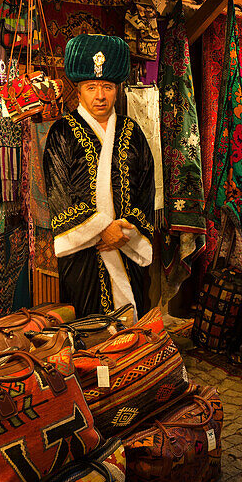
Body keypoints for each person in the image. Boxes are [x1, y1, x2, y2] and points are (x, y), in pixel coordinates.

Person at [42, 34, 155, 317]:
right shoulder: (62, 133)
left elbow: (146, 188)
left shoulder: (133, 133)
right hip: (83, 255)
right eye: (91, 87)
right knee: (87, 326)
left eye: (107, 86)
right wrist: (103, 229)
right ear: (78, 91)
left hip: (127, 247)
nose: (100, 96)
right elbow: (59, 194)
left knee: (131, 327)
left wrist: (126, 230)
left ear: (118, 89)